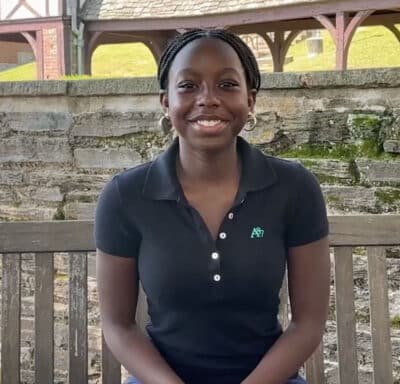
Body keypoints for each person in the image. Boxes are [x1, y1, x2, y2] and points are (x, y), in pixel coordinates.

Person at [95, 29, 330, 384]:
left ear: (250, 100)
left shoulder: (294, 189)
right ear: (165, 101)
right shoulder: (126, 196)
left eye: (227, 85)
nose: (207, 99)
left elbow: (308, 324)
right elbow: (117, 325)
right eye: (188, 85)